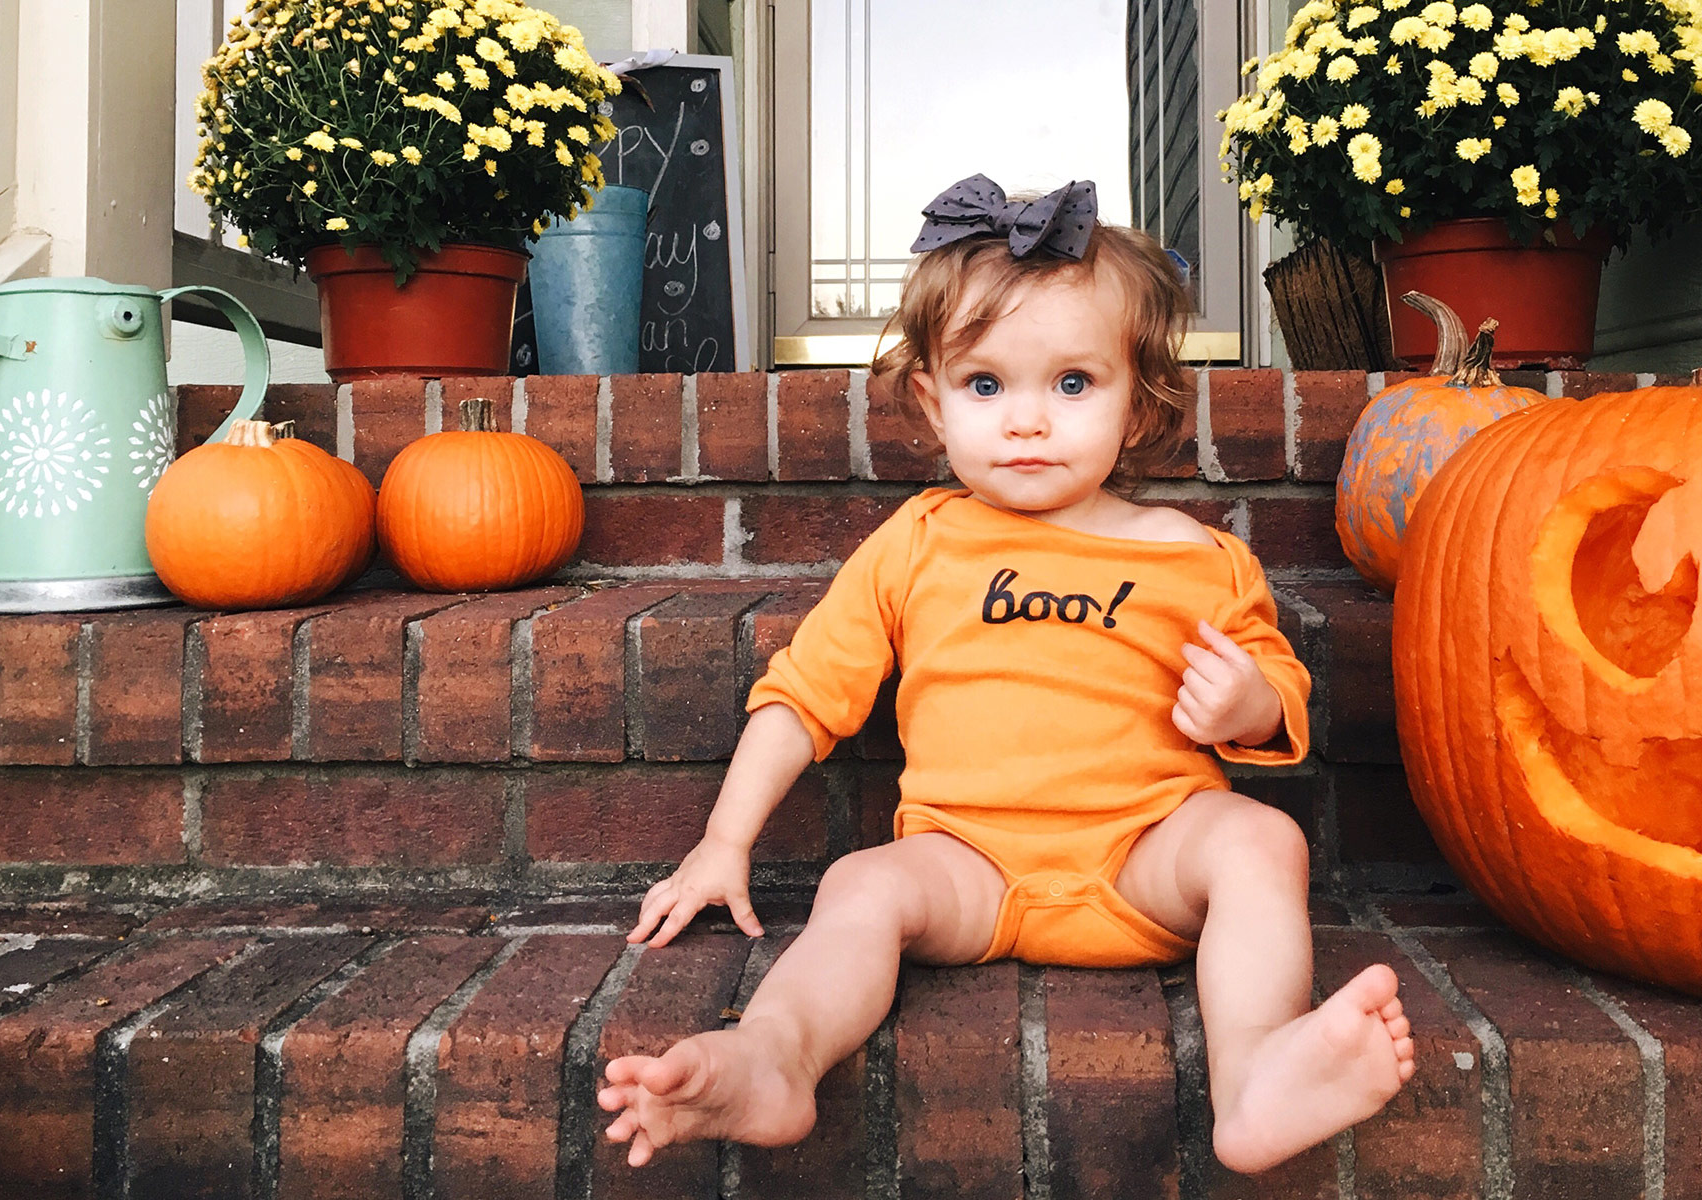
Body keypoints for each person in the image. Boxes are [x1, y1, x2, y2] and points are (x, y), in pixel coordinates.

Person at [597, 175, 1414, 1175]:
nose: (1028, 420)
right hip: (966, 864)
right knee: (860, 885)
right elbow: (805, 693)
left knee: (1259, 838)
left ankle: (1256, 1076)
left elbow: (1282, 691)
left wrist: (1247, 701)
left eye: (1072, 383)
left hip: (1144, 857)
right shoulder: (921, 543)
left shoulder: (1192, 556)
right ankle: (775, 1057)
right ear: (936, 404)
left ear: (1137, 395)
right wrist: (724, 843)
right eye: (988, 386)